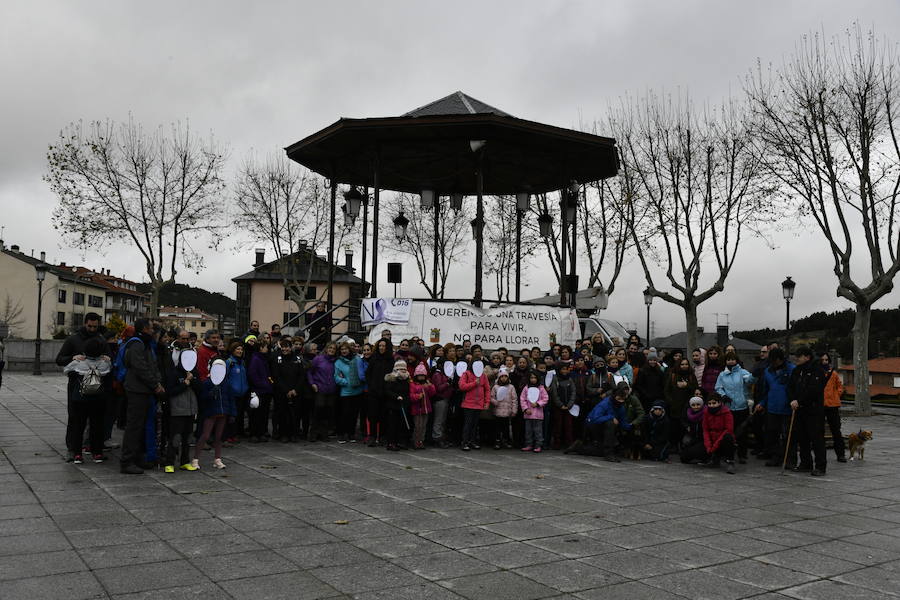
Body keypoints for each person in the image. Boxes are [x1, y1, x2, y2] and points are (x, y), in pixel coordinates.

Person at [57, 313, 107, 460]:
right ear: (85, 324)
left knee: (96, 421)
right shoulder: (73, 339)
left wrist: (107, 359)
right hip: (76, 386)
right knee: (75, 419)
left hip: (97, 388)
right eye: (89, 326)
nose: (92, 329)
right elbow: (59, 359)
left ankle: (94, 448)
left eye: (95, 327)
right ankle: (72, 449)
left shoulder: (101, 339)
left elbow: (109, 360)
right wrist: (72, 358)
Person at [119, 318, 164, 474]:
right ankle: (127, 461)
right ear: (145, 329)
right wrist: (155, 384)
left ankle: (137, 458)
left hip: (143, 391)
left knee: (140, 427)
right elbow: (141, 368)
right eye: (151, 328)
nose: (153, 331)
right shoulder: (137, 344)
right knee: (134, 426)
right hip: (137, 390)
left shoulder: (144, 344)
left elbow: (151, 365)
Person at [62, 336, 112, 464]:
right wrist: (106, 359)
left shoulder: (79, 363)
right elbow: (109, 371)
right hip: (98, 398)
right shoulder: (104, 364)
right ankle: (97, 453)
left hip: (80, 398)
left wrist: (75, 359)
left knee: (79, 426)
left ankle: (78, 454)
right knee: (97, 426)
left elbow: (66, 370)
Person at [788, 346, 828, 476]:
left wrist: (800, 401)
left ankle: (821, 466)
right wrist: (793, 399)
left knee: (816, 439)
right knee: (802, 438)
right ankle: (806, 463)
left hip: (814, 410)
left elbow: (814, 390)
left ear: (807, 357)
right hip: (799, 410)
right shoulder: (796, 371)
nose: (796, 359)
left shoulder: (817, 371)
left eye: (799, 356)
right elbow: (791, 387)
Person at [756, 348, 795, 467]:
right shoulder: (768, 371)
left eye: (776, 360)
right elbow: (766, 390)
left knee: (788, 435)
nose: (774, 363)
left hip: (787, 408)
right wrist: (762, 403)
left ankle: (789, 460)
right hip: (772, 408)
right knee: (772, 434)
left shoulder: (792, 369)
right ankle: (776, 457)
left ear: (781, 359)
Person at [193, 358, 235, 469]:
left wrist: (232, 413)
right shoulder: (207, 382)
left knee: (219, 437)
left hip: (223, 412)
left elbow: (231, 399)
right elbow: (202, 398)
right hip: (211, 412)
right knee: (205, 435)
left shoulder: (226, 383)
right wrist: (211, 394)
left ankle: (217, 459)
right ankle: (195, 459)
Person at [715, 352, 755, 463]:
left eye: (733, 359)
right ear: (725, 361)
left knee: (742, 432)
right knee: (728, 432)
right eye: (728, 359)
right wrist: (723, 396)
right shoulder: (722, 375)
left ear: (736, 360)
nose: (731, 361)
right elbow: (718, 387)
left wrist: (754, 375)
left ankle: (742, 454)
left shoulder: (743, 372)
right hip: (729, 408)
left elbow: (750, 380)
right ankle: (728, 453)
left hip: (742, 406)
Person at [272, 338, 307, 443]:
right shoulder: (278, 359)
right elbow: (276, 376)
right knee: (283, 414)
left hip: (295, 392)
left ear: (291, 347)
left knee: (295, 414)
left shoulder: (297, 359)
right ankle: (284, 434)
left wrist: (295, 390)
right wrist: (286, 390)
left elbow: (302, 376)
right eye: (283, 347)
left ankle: (294, 434)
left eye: (286, 347)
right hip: (282, 392)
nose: (284, 349)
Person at [334, 341, 365, 443]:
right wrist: (346, 382)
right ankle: (342, 434)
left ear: (349, 349)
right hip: (346, 392)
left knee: (354, 414)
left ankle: (351, 433)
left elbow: (361, 372)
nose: (344, 351)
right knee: (345, 414)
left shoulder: (357, 359)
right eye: (342, 349)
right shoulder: (338, 362)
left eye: (345, 349)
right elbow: (336, 377)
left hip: (358, 391)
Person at [307, 341, 338, 442]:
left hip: (331, 390)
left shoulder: (335, 361)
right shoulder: (318, 359)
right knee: (318, 410)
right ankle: (313, 433)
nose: (332, 350)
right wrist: (312, 383)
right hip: (320, 389)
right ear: (326, 348)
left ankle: (324, 433)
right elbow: (310, 372)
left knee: (327, 412)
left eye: (334, 348)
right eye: (330, 348)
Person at [458, 360, 490, 451]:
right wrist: (474, 383)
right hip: (468, 404)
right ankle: (464, 442)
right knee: (468, 424)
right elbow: (462, 386)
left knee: (475, 425)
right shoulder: (466, 374)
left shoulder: (483, 376)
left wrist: (486, 402)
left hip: (479, 404)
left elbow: (487, 389)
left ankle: (472, 441)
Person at [821, 352, 846, 462]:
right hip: (820, 405)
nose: (824, 362)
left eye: (826, 360)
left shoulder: (833, 373)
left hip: (832, 404)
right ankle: (821, 455)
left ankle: (840, 454)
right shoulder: (816, 373)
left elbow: (840, 386)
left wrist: (837, 394)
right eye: (822, 360)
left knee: (836, 431)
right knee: (819, 431)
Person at [702, 393, 737, 474]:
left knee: (728, 437)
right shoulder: (706, 413)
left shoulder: (727, 413)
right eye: (709, 403)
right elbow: (705, 430)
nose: (712, 405)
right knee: (688, 455)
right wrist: (708, 446)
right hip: (711, 439)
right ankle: (714, 458)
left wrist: (714, 447)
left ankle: (730, 462)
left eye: (714, 403)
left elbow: (728, 430)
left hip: (722, 439)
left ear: (720, 403)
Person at [247, 340, 274, 443]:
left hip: (266, 390)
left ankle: (261, 432)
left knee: (264, 413)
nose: (267, 349)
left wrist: (270, 383)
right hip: (259, 391)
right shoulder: (256, 359)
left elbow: (268, 374)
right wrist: (264, 384)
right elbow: (253, 375)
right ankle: (254, 433)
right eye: (265, 347)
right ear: (260, 348)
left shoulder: (263, 359)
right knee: (256, 414)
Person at [383, 359, 411, 451]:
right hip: (393, 405)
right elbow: (388, 391)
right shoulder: (392, 378)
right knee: (392, 425)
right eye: (401, 368)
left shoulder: (407, 378)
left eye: (404, 368)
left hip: (403, 405)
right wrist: (396, 396)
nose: (403, 370)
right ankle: (391, 443)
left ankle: (399, 442)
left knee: (401, 425)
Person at [519, 371, 549, 453]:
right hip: (528, 414)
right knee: (528, 431)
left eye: (535, 378)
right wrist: (525, 409)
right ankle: (529, 444)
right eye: (531, 378)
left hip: (538, 415)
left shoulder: (541, 388)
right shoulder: (526, 388)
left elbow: (545, 398)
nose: (533, 379)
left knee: (538, 431)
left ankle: (538, 445)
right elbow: (522, 399)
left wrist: (538, 404)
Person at [490, 367, 517, 449]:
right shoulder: (495, 387)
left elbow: (514, 399)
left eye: (505, 376)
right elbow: (491, 397)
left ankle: (506, 440)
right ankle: (497, 441)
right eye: (502, 376)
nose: (503, 378)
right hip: (498, 411)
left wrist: (514, 410)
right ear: (499, 378)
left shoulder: (511, 387)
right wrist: (495, 402)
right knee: (497, 428)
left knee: (506, 428)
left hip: (507, 412)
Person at [409, 364, 435, 449]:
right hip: (417, 409)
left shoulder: (426, 383)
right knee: (418, 426)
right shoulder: (413, 384)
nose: (421, 377)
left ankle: (421, 441)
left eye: (423, 375)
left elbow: (432, 393)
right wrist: (417, 396)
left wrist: (430, 386)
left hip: (426, 408)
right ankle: (416, 441)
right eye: (419, 375)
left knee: (424, 426)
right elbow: (411, 396)